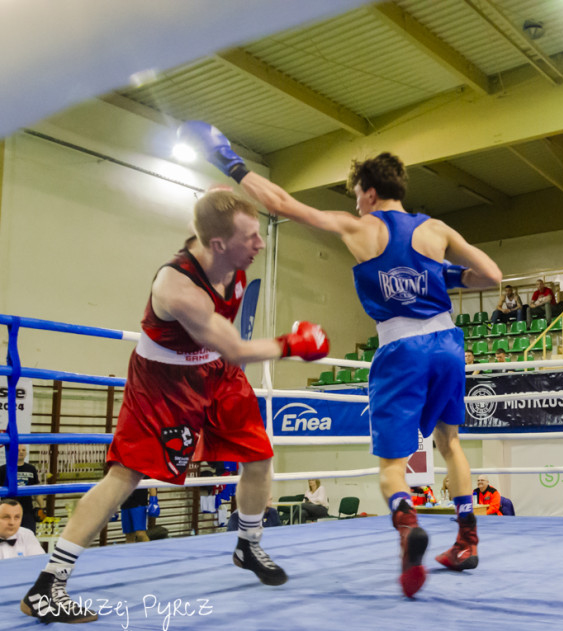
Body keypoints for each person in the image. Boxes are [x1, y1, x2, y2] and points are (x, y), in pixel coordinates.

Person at [180, 121, 503, 597]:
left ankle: (405, 521)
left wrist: (229, 160)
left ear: (369, 193)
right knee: (450, 443)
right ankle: (467, 539)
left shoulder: (361, 226)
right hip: (449, 344)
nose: (355, 203)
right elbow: (492, 276)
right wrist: (443, 277)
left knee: (392, 464)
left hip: (401, 349)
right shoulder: (435, 228)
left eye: (356, 194)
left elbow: (284, 205)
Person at [20, 190, 331, 624]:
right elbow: (239, 348)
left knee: (259, 457)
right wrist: (293, 344)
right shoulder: (179, 288)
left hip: (217, 371)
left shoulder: (226, 250)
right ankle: (48, 585)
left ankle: (247, 543)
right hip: (164, 384)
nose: (260, 244)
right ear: (218, 245)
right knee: (126, 475)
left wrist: (233, 172)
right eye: (250, 237)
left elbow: (211, 217)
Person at [0, 444, 46, 534]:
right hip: (8, 512)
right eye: (18, 450)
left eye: (23, 450)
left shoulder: (31, 469)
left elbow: (36, 491)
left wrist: (42, 508)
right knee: (7, 539)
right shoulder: (3, 469)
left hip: (27, 512)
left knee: (28, 538)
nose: (21, 452)